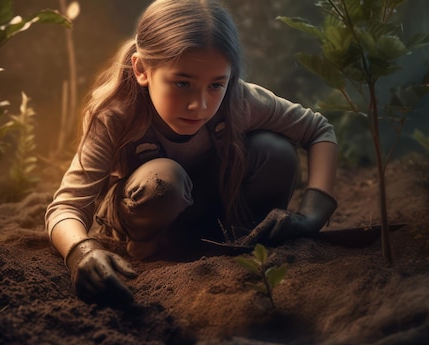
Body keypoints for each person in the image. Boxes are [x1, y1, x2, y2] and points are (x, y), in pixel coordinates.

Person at [44, 0, 338, 305]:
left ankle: (240, 241)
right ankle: (155, 248)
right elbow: (65, 207)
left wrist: (312, 214)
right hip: (147, 222)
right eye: (182, 83)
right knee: (162, 180)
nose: (199, 105)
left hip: (220, 217)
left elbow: (318, 130)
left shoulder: (238, 100)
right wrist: (81, 251)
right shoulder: (117, 115)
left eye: (215, 85)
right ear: (142, 69)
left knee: (275, 152)